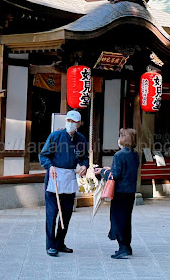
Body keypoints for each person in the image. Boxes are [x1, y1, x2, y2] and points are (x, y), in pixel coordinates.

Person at [39, 110, 88, 257]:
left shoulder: (81, 139)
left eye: (74, 122)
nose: (71, 124)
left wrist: (84, 166)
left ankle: (60, 242)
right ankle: (50, 245)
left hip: (69, 177)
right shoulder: (55, 136)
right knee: (52, 212)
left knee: (66, 213)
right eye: (69, 121)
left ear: (78, 124)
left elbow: (84, 157)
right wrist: (50, 166)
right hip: (54, 177)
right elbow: (43, 155)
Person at [97, 128, 140, 259]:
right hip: (130, 191)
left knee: (117, 219)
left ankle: (122, 247)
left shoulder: (119, 155)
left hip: (120, 191)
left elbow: (115, 175)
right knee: (126, 219)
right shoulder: (135, 154)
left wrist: (102, 172)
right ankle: (127, 246)